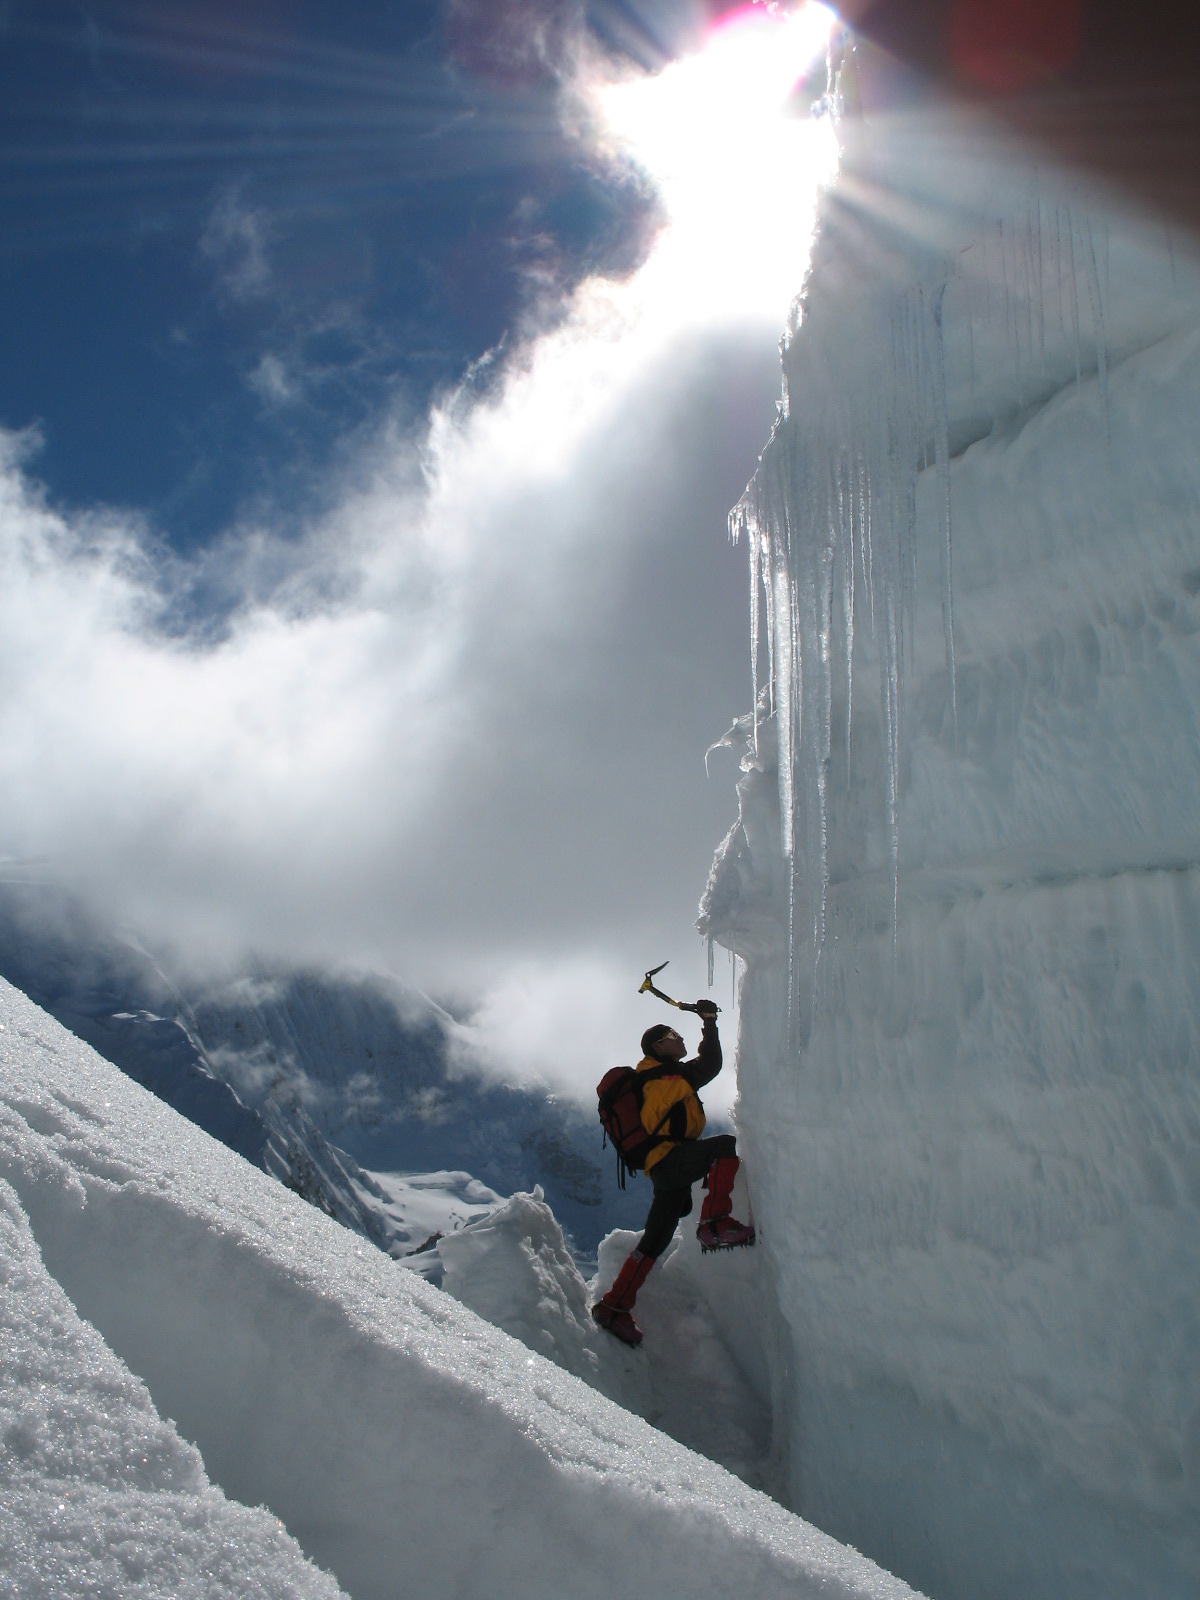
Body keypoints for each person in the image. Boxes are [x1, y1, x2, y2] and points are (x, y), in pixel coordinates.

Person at [592, 1000, 755, 1346]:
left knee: (655, 1240)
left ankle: (614, 1305)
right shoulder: (662, 1076)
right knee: (724, 1146)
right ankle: (714, 1223)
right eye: (673, 1035)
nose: (679, 1039)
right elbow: (710, 1065)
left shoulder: (655, 1078)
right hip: (670, 1159)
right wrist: (708, 1023)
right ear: (658, 1046)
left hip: (663, 1166)